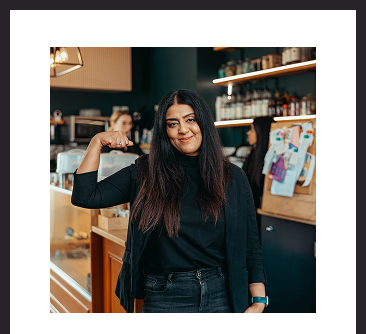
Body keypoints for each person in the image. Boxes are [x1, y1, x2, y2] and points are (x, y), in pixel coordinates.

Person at [71, 89, 267, 313]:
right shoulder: (145, 172)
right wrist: (96, 142)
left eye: (190, 120)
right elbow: (84, 196)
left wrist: (259, 301)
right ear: (164, 131)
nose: (183, 130)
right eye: (172, 124)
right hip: (166, 296)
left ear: (203, 122)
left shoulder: (233, 177)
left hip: (222, 294)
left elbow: (251, 243)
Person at [242, 116, 274, 238]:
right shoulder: (253, 155)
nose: (248, 133)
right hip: (251, 214)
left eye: (252, 129)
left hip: (263, 216)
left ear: (261, 132)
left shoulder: (271, 159)